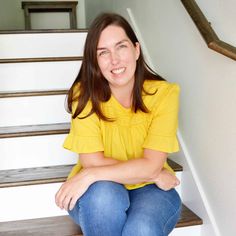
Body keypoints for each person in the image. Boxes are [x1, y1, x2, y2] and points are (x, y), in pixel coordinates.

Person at [55, 12, 181, 236]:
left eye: (121, 47)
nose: (114, 59)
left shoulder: (164, 94)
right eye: (103, 52)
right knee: (104, 200)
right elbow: (93, 161)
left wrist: (90, 174)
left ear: (136, 50)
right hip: (98, 193)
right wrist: (152, 172)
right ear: (95, 61)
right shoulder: (83, 96)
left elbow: (96, 168)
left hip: (152, 192)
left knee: (140, 229)